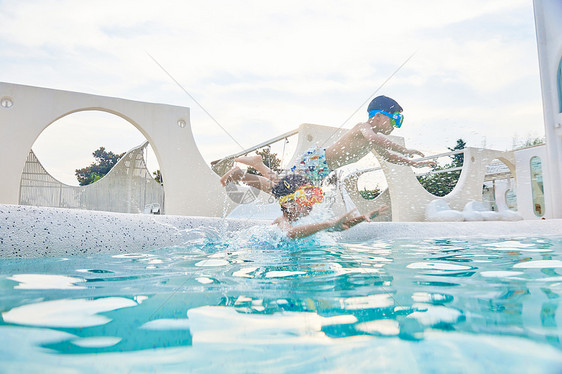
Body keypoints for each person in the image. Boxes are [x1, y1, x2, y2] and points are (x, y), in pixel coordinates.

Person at [220, 95, 436, 189]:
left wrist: (416, 163)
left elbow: (391, 158)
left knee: (284, 194)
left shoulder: (373, 141)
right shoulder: (364, 128)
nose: (396, 126)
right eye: (395, 119)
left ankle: (241, 175)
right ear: (378, 116)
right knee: (285, 190)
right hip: (317, 160)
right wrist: (406, 149)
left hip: (322, 168)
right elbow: (376, 138)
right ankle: (258, 163)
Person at [269, 174, 388, 239]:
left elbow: (339, 226)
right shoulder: (281, 220)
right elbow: (290, 234)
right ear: (286, 203)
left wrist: (362, 217)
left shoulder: (310, 221)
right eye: (305, 197)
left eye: (313, 195)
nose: (311, 202)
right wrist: (327, 224)